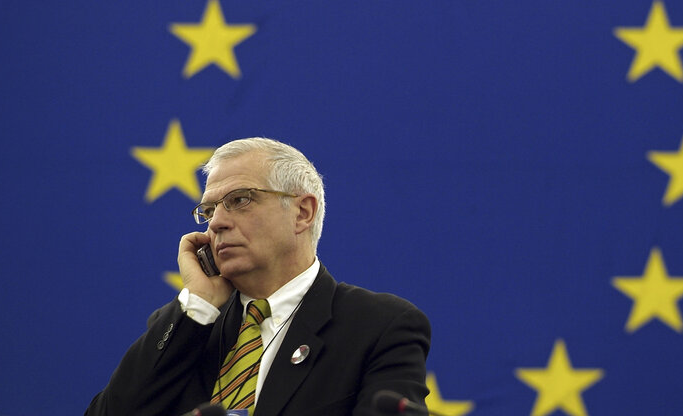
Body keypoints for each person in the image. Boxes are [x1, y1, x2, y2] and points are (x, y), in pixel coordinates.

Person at [85, 137, 431, 416]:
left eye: (239, 200)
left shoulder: (379, 326)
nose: (216, 222)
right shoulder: (188, 325)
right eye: (209, 209)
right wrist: (199, 304)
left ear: (302, 212)